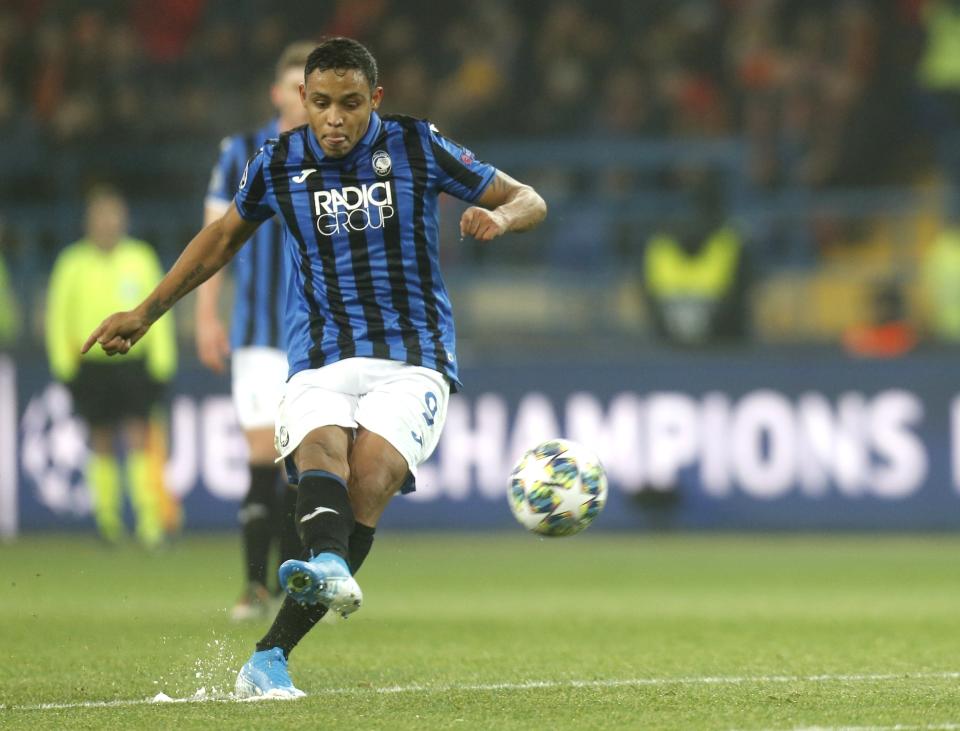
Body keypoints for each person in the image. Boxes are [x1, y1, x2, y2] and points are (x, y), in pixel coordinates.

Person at [81, 37, 547, 697]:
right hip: (321, 352)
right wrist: (147, 311)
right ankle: (322, 569)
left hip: (413, 356)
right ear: (302, 99)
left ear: (375, 101)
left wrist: (499, 215)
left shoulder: (417, 145)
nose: (334, 118)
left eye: (350, 104)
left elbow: (530, 197)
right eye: (322, 103)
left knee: (373, 477)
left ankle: (271, 652)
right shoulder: (278, 162)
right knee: (319, 451)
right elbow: (219, 240)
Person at [196, 41, 314, 622]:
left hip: (318, 337)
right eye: (292, 87)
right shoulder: (242, 151)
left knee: (301, 461)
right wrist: (205, 315)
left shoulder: (340, 154)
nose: (300, 99)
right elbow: (213, 239)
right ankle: (252, 586)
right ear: (276, 93)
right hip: (259, 333)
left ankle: (287, 582)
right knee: (264, 454)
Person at [48, 186, 178, 548]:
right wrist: (64, 366)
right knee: (101, 440)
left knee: (140, 437)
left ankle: (149, 522)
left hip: (133, 361)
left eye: (113, 216)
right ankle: (108, 521)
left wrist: (162, 361)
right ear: (88, 223)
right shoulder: (71, 262)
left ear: (123, 220)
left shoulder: (140, 257)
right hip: (91, 365)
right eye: (100, 217)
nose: (107, 224)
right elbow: (59, 317)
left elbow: (160, 309)